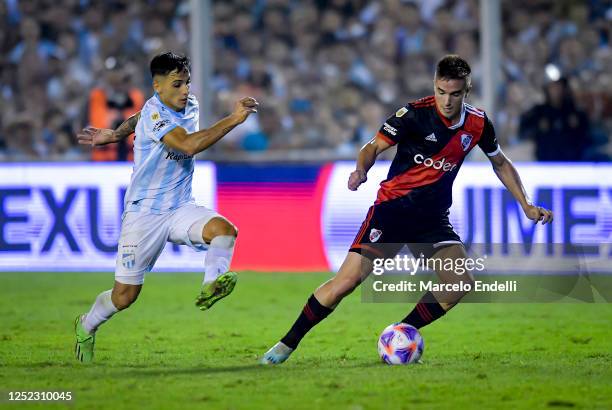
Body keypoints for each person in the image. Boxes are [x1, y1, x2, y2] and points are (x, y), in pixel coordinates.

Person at [261, 55, 553, 364]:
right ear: (435, 86)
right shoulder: (413, 114)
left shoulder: (478, 124)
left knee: (460, 283)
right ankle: (286, 344)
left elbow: (501, 162)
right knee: (344, 284)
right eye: (441, 91)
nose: (447, 100)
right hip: (392, 212)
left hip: (432, 220)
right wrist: (362, 170)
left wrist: (526, 204)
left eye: (455, 94)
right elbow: (371, 147)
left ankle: (402, 332)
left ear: (467, 91)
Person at [74, 52, 258, 362]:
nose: (185, 89)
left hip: (180, 208)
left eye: (187, 82)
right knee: (124, 296)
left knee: (225, 231)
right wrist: (234, 119)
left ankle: (212, 284)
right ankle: (86, 324)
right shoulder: (156, 114)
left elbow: (137, 117)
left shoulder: (186, 105)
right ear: (158, 87)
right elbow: (186, 145)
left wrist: (118, 133)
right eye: (178, 84)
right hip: (143, 214)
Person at [519, 77, 591, 161]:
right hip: (546, 162)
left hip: (572, 163)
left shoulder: (574, 111)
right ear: (547, 89)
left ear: (564, 88)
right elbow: (523, 133)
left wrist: (577, 126)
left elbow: (587, 137)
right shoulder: (539, 112)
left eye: (559, 86)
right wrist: (538, 127)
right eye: (553, 87)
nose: (556, 90)